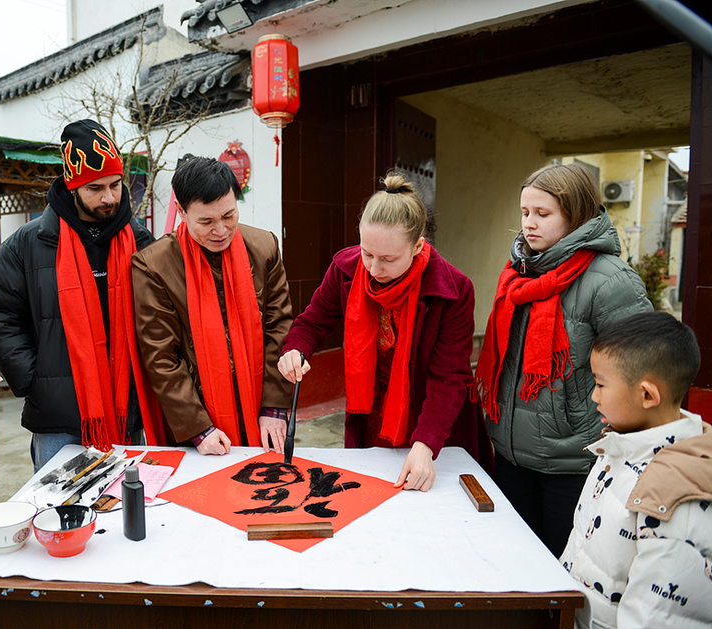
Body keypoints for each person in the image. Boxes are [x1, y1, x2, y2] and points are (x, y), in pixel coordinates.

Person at [472, 162, 652, 556]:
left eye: (543, 214)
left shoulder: (611, 281)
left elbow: (642, 368)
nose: (529, 224)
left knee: (562, 566)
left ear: (576, 215)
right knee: (514, 559)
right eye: (524, 213)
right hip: (510, 451)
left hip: (573, 461)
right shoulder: (518, 273)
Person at [278, 172, 491, 491]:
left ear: (418, 245)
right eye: (367, 254)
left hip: (430, 423)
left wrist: (425, 445)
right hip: (371, 416)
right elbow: (312, 322)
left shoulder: (454, 289)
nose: (374, 270)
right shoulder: (345, 269)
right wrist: (295, 349)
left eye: (388, 259)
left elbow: (448, 378)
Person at [0, 119, 158, 471]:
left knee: (127, 511)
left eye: (116, 185)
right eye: (95, 188)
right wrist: (34, 380)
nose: (109, 197)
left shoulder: (139, 241)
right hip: (58, 418)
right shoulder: (28, 243)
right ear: (72, 186)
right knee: (58, 515)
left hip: (130, 411)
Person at [559, 312, 712, 628]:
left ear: (647, 395)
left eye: (601, 384)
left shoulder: (676, 491)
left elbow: (657, 615)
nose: (594, 395)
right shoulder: (621, 444)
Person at [131, 157, 293, 454]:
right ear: (181, 211)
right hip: (200, 425)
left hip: (264, 412)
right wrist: (198, 428)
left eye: (229, 216)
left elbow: (279, 329)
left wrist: (275, 406)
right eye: (206, 221)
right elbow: (161, 355)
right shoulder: (153, 265)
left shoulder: (264, 248)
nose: (221, 230)